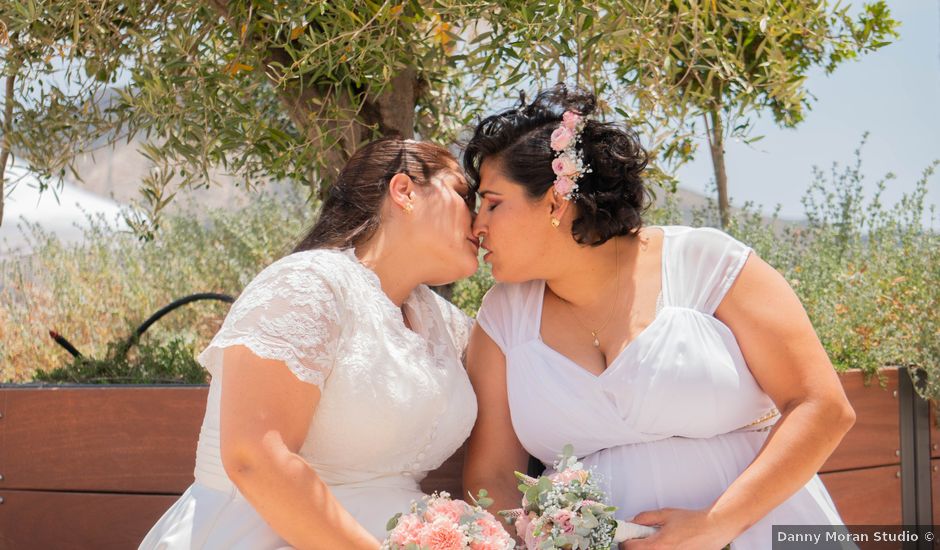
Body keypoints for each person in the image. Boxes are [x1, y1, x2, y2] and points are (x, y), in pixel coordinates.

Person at [461, 86, 856, 549]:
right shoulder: (502, 317)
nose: (477, 226)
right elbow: (491, 475)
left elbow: (822, 406)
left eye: (492, 202)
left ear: (554, 201)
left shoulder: (707, 263)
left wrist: (718, 524)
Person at [141, 138, 481, 549]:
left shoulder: (442, 323)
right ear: (404, 191)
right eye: (464, 194)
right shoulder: (307, 285)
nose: (479, 221)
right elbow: (254, 459)